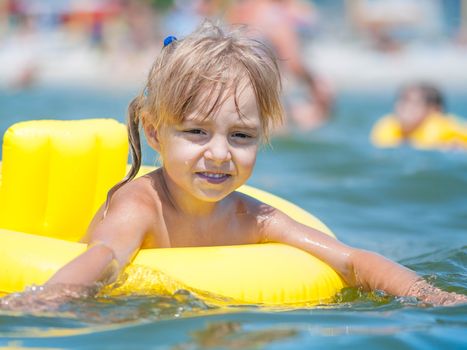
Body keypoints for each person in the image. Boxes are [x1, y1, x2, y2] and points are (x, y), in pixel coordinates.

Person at [3, 22, 466, 309]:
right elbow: (102, 260)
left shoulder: (252, 218)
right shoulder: (139, 208)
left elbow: (348, 259)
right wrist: (40, 302)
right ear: (154, 132)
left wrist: (432, 296)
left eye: (241, 136)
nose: (220, 153)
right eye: (196, 132)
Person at [371, 83, 467, 150]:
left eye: (414, 103)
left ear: (434, 110)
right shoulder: (389, 128)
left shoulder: (449, 136)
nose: (404, 108)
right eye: (401, 100)